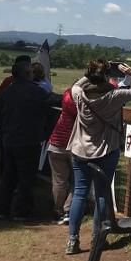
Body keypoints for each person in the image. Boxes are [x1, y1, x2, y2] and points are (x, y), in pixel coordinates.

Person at [65, 60, 131, 254]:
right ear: (105, 76)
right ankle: (97, 239)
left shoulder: (80, 94)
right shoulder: (115, 96)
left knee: (79, 193)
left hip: (80, 149)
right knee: (102, 194)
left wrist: (92, 72)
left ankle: (72, 240)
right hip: (106, 150)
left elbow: (76, 85)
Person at [0, 59, 54, 220]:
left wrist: (4, 133)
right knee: (26, 178)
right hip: (29, 141)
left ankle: (1, 210)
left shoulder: (6, 92)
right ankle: (21, 212)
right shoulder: (37, 92)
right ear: (28, 74)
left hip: (8, 140)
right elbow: (54, 101)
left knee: (8, 176)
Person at [46, 87, 78, 224]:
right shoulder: (83, 107)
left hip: (56, 144)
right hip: (74, 146)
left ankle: (58, 210)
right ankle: (68, 210)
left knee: (59, 181)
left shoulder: (66, 99)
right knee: (77, 181)